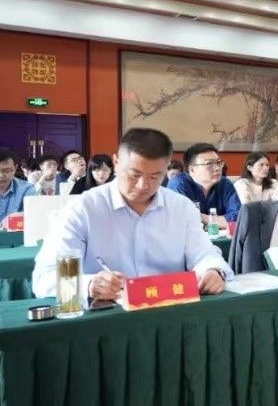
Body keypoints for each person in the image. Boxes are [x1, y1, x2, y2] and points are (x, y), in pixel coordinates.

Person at [32, 128, 232, 300]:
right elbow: (44, 278)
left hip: (170, 310)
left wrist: (213, 271)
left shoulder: (181, 207)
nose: (143, 185)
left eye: (155, 176)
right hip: (109, 317)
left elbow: (205, 254)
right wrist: (89, 285)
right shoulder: (84, 208)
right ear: (116, 163)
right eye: (134, 174)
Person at [167, 142, 241, 226]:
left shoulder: (225, 183)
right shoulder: (178, 184)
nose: (217, 168)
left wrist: (202, 217)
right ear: (192, 170)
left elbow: (238, 219)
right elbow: (181, 221)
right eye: (209, 164)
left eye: (218, 162)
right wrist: (220, 221)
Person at [0, 150, 37, 224]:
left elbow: (33, 216)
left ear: (15, 168)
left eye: (6, 171)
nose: (1, 175)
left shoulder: (27, 189)